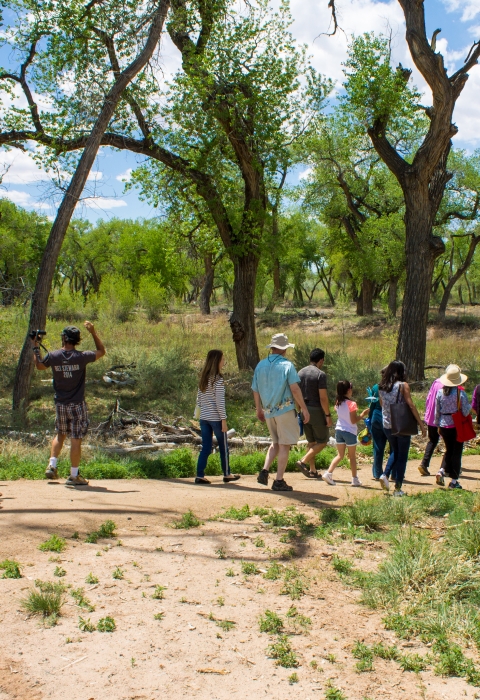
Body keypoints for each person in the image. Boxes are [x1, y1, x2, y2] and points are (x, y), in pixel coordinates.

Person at [31, 322, 105, 486]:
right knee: (76, 439)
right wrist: (93, 332)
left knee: (60, 434)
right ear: (77, 340)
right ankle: (73, 475)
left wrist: (35, 347)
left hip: (61, 404)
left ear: (63, 339)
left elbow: (39, 365)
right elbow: (101, 351)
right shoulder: (82, 357)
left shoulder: (54, 356)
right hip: (77, 404)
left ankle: (52, 464)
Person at [252, 333, 310, 492]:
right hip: (284, 409)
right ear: (284, 348)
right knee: (284, 446)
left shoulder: (260, 365)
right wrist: (304, 408)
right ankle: (279, 480)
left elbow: (255, 390)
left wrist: (259, 409)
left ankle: (265, 470)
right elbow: (295, 389)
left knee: (275, 443)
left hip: (269, 410)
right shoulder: (287, 365)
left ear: (272, 347)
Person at [378, 361, 425, 497]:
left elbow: (382, 405)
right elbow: (410, 405)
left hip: (387, 425)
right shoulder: (403, 386)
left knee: (396, 451)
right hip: (401, 425)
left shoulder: (381, 387)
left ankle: (385, 475)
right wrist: (420, 424)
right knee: (402, 456)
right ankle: (397, 488)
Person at [194, 349, 240, 485]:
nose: (223, 362)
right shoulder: (218, 381)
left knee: (206, 447)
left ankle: (199, 474)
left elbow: (199, 400)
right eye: (222, 359)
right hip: (216, 418)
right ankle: (227, 473)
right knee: (223, 446)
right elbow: (220, 403)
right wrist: (224, 420)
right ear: (217, 361)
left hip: (204, 417)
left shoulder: (203, 379)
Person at [322, 380, 369, 486]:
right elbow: (353, 420)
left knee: (340, 455)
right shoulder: (352, 404)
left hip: (339, 430)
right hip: (350, 432)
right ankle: (354, 479)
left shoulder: (338, 402)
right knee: (352, 457)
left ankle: (328, 473)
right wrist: (363, 414)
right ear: (348, 390)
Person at [295, 348, 332, 478]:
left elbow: (296, 393)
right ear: (321, 360)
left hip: (303, 410)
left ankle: (312, 470)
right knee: (322, 441)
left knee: (311, 441)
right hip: (316, 410)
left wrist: (299, 410)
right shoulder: (320, 374)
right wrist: (327, 415)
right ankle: (303, 461)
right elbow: (323, 397)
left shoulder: (300, 373)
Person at [434, 364, 471, 490]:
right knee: (457, 452)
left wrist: (438, 424)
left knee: (449, 450)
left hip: (444, 425)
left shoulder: (440, 393)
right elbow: (466, 411)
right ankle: (454, 480)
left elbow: (437, 411)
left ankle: (442, 470)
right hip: (456, 426)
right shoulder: (460, 394)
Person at [418, 373, 444, 476]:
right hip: (443, 419)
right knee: (450, 443)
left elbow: (428, 398)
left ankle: (424, 463)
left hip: (431, 417)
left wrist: (428, 413)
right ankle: (446, 467)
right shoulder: (449, 385)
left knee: (432, 440)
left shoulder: (436, 382)